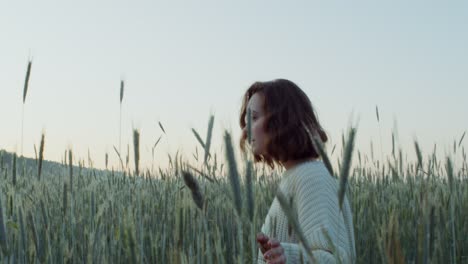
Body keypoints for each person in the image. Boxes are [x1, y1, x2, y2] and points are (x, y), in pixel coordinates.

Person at [239, 79, 356, 263]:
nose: (245, 130)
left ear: (281, 121)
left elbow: (335, 258)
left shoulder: (311, 178)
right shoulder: (296, 177)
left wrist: (287, 256)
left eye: (253, 118)